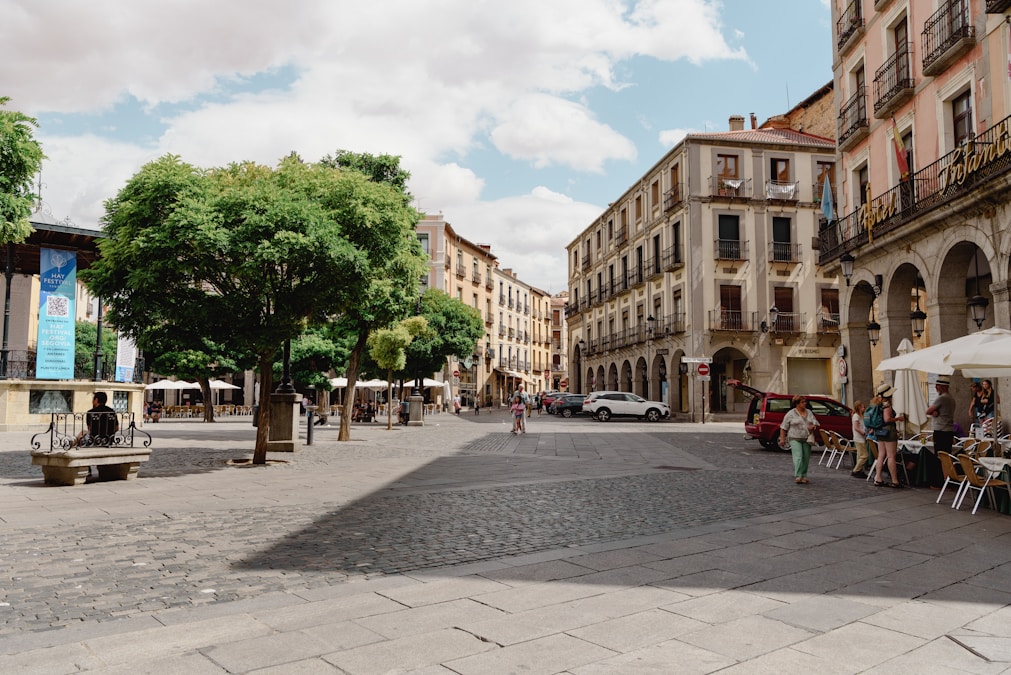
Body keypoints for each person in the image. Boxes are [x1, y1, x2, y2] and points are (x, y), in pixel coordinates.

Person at [779, 395, 819, 484]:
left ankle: (804, 475)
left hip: (807, 438)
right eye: (802, 402)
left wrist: (813, 426)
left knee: (806, 458)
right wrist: (782, 439)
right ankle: (798, 475)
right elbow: (783, 427)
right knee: (798, 457)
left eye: (805, 402)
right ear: (797, 404)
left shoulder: (809, 412)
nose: (805, 404)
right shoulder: (790, 413)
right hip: (794, 437)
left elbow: (815, 423)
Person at [924, 376, 955, 488]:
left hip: (941, 430)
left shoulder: (942, 398)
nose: (936, 388)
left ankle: (943, 481)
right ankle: (949, 480)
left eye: (937, 386)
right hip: (948, 430)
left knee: (941, 457)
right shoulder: (951, 398)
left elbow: (928, 410)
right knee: (947, 456)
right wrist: (935, 412)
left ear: (942, 386)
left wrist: (933, 413)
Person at [872, 384, 905, 488]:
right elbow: (887, 419)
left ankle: (878, 478)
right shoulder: (887, 405)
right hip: (888, 432)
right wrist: (898, 419)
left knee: (881, 455)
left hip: (880, 432)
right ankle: (895, 481)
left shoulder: (877, 404)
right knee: (891, 456)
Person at [850, 400, 869, 479]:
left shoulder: (861, 416)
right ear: (858, 408)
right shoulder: (856, 416)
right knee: (865, 456)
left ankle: (859, 470)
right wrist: (863, 433)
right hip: (859, 438)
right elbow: (856, 427)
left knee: (860, 455)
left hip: (861, 438)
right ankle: (856, 470)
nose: (864, 408)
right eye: (862, 407)